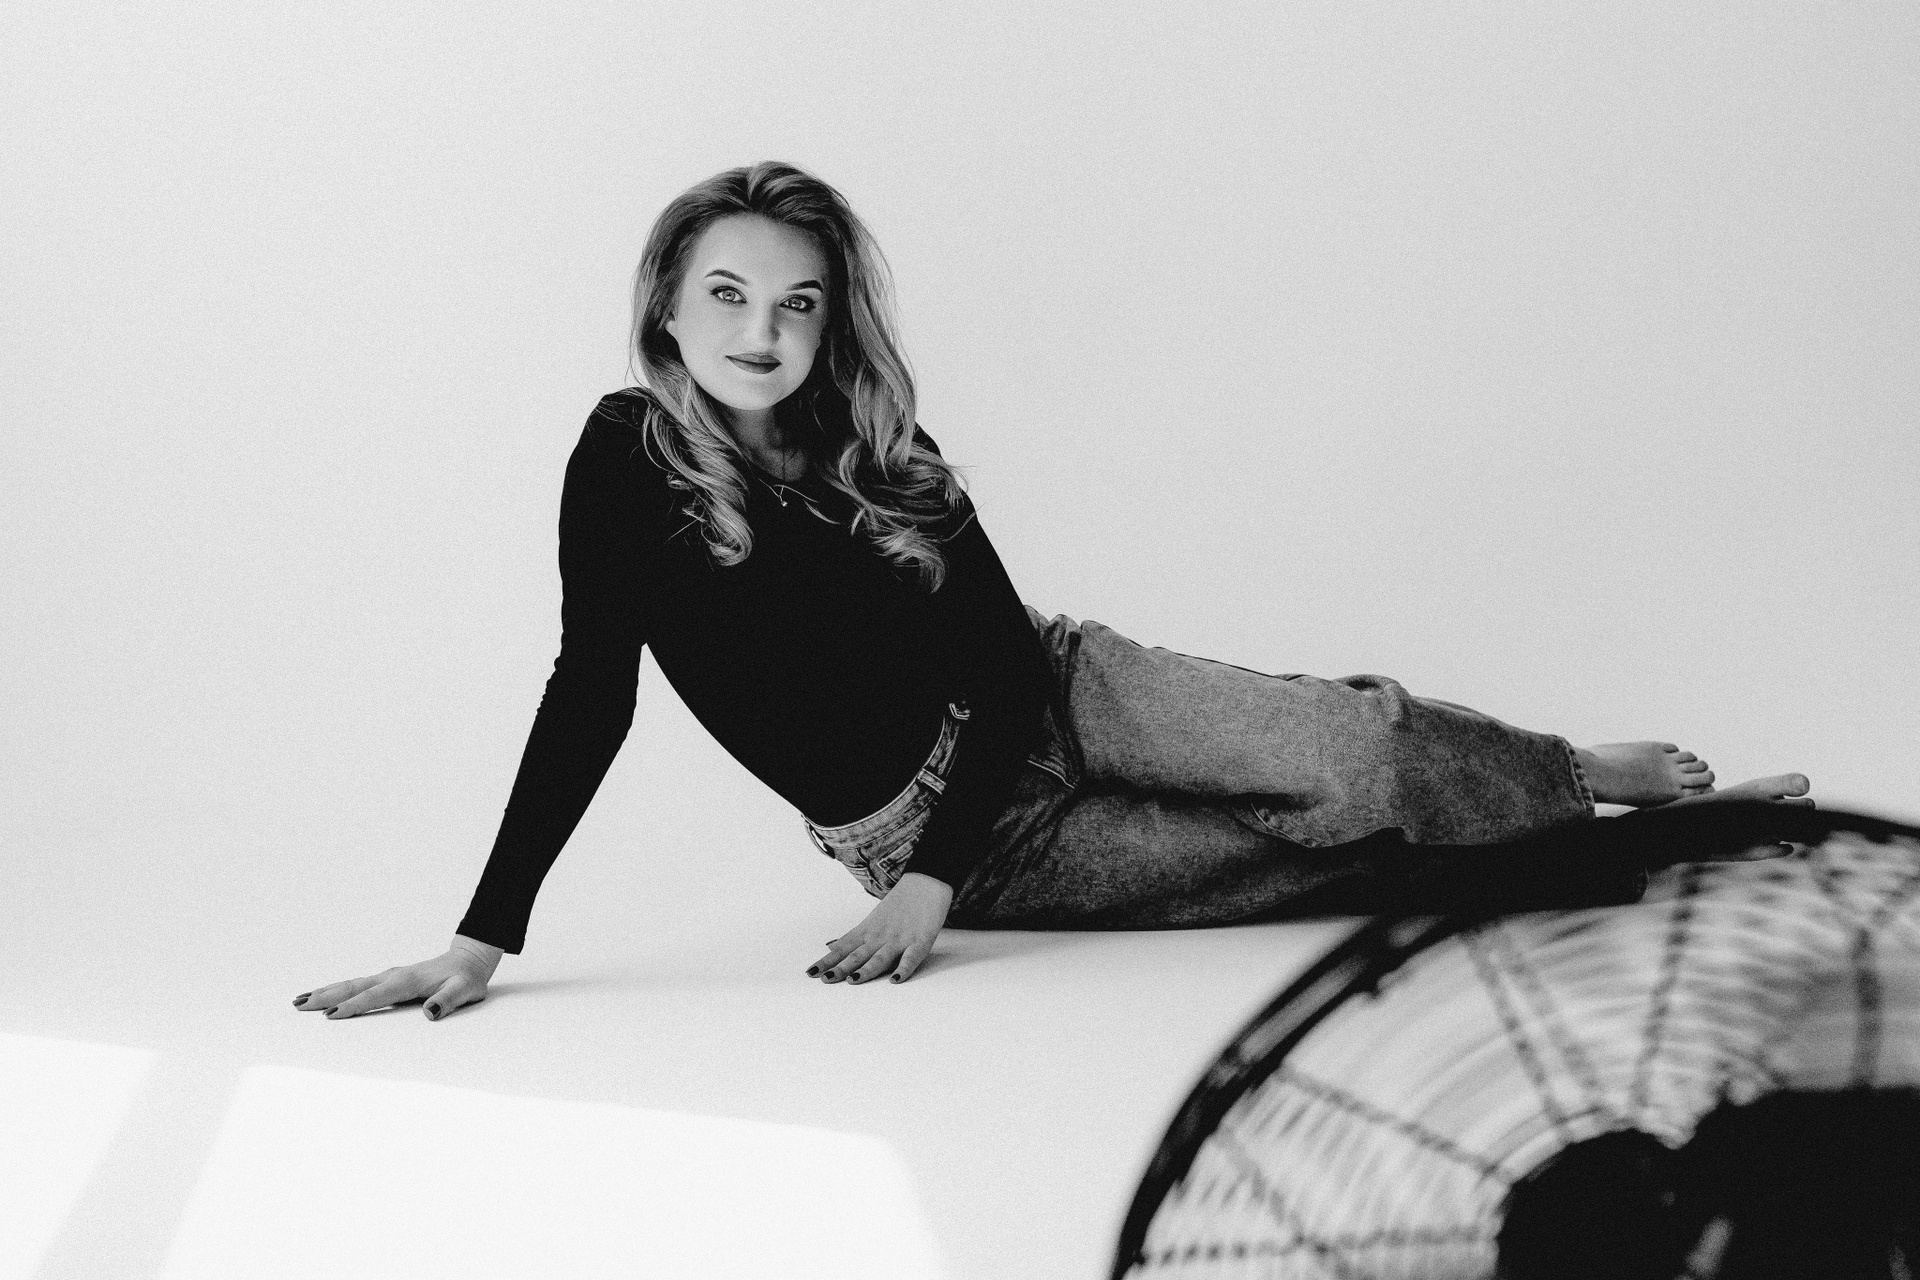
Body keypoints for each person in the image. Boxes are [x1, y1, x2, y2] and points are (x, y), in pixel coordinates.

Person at [293, 161, 1814, 1024]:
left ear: (833, 324)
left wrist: (931, 894)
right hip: (938, 832)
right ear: (668, 316)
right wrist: (482, 936)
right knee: (1320, 865)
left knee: (1353, 759)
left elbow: (1009, 674)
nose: (764, 332)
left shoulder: (885, 449)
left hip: (1056, 690)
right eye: (729, 297)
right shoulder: (623, 458)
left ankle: (1568, 769)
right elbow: (590, 694)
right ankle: (1662, 845)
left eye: (798, 303)